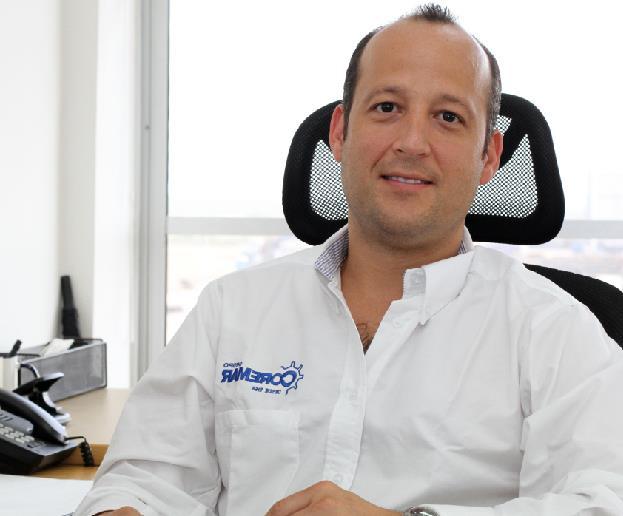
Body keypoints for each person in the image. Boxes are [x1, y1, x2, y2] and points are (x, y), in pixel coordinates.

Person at [76, 4, 623, 516]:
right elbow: (141, 479)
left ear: (489, 157)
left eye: (448, 117)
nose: (412, 142)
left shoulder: (555, 331)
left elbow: (602, 499)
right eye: (387, 108)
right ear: (340, 133)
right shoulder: (231, 310)